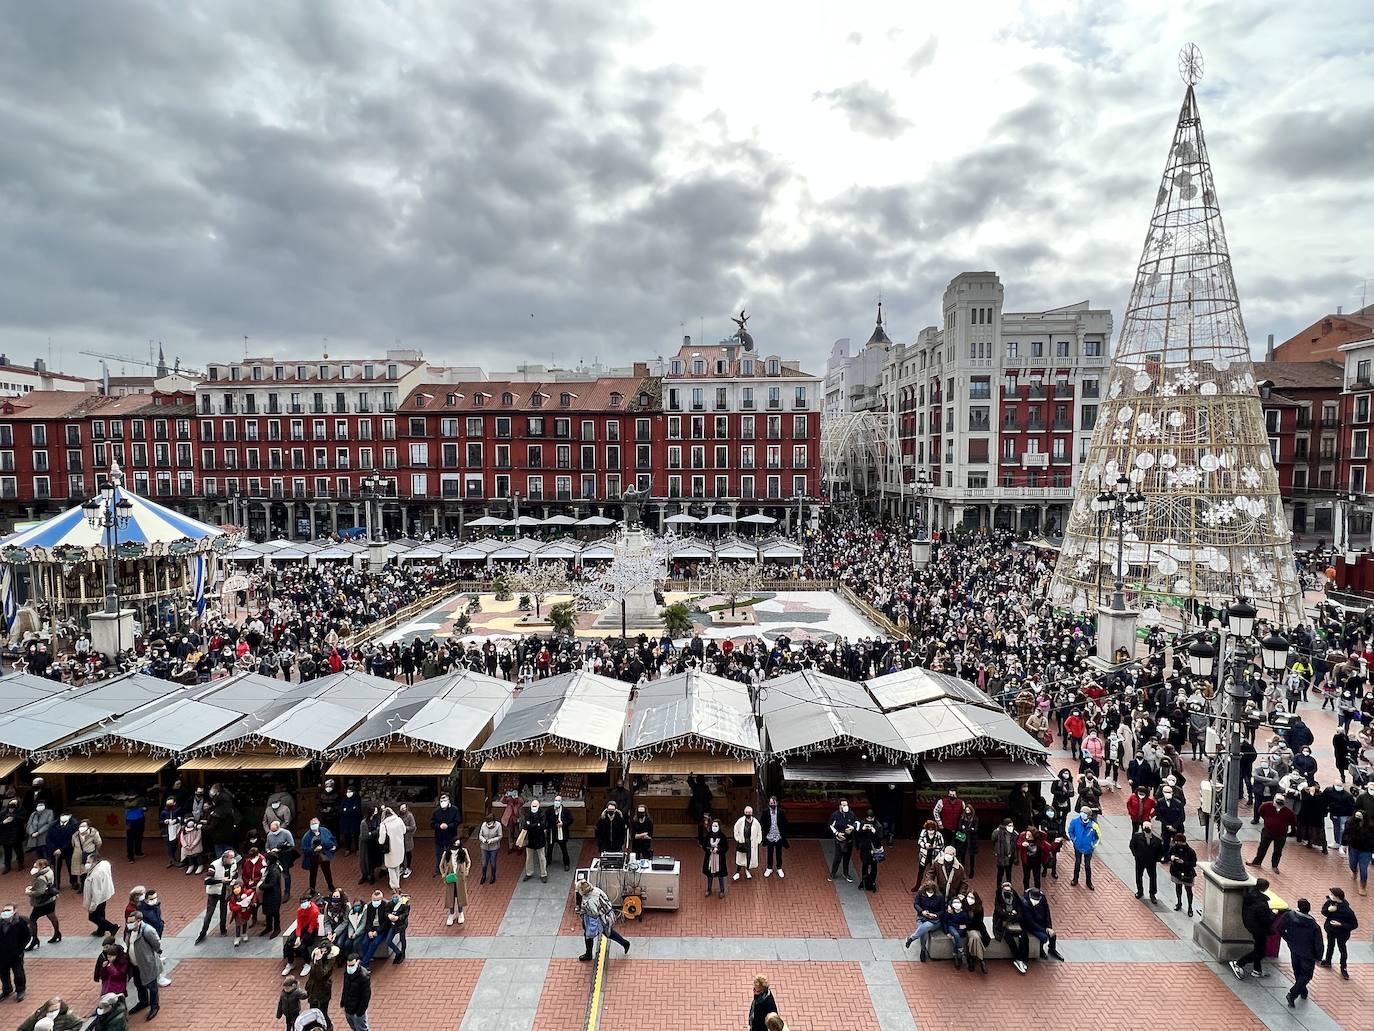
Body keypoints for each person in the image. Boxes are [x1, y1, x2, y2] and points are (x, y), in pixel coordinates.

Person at [1279, 898, 1323, 1008]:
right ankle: (1293, 993)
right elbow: (1318, 944)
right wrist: (1318, 957)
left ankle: (1303, 991)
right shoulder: (1314, 926)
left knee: (1297, 971)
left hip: (1294, 949)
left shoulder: (1288, 916)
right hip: (1308, 954)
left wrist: (1288, 940)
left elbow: (1280, 928)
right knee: (1307, 975)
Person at [574, 878, 630, 959]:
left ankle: (588, 954)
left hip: (601, 920)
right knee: (609, 932)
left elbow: (594, 917)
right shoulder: (596, 890)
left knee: (589, 937)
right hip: (606, 916)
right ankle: (624, 943)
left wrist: (590, 932)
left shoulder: (590, 902)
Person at [1230, 878, 1273, 980]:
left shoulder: (1249, 895)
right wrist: (1273, 915)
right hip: (1259, 929)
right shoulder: (1261, 903)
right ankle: (1239, 962)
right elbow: (1265, 919)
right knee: (1261, 952)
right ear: (1265, 888)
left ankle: (1257, 970)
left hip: (1251, 925)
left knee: (1258, 948)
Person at [124, 910, 162, 1020]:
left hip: (147, 964)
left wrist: (149, 957)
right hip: (134, 964)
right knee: (138, 984)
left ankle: (155, 1006)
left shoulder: (148, 931)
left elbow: (157, 944)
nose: (129, 924)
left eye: (132, 922)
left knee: (152, 986)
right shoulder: (130, 931)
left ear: (139, 921)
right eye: (128, 922)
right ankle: (143, 1001)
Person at [194, 848, 239, 944]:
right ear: (225, 858)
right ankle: (203, 933)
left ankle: (223, 929)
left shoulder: (233, 863)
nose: (233, 860)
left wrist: (234, 879)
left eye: (233, 858)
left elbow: (235, 874)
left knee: (224, 911)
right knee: (209, 913)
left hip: (225, 891)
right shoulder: (214, 865)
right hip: (214, 892)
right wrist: (221, 880)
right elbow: (207, 881)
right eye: (231, 858)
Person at [1249, 793, 1297, 873]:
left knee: (1278, 851)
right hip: (1267, 831)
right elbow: (1260, 812)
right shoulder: (1266, 806)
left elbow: (1293, 821)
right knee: (1262, 847)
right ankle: (1257, 862)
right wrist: (1268, 821)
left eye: (1281, 801)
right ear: (1274, 799)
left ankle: (1275, 865)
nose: (1279, 802)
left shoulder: (1289, 812)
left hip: (1281, 834)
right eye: (1278, 800)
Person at [1318, 886, 1357, 979]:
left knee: (1342, 949)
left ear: (1338, 897)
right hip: (1331, 930)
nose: (1330, 896)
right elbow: (1323, 912)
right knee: (1330, 945)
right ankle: (1328, 961)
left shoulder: (1347, 911)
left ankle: (1343, 968)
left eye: (1332, 895)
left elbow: (1354, 924)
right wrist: (1328, 910)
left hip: (1342, 933)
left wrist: (1340, 924)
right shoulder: (1329, 903)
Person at [904, 877, 946, 961]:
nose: (929, 893)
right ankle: (923, 950)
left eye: (931, 892)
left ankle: (912, 938)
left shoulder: (940, 897)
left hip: (934, 921)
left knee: (925, 927)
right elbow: (916, 904)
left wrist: (935, 915)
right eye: (928, 891)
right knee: (924, 931)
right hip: (922, 917)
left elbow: (942, 910)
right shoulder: (920, 893)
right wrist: (922, 911)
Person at [993, 882, 1031, 974]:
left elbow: (1020, 911)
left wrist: (1014, 916)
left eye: (1009, 890)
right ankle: (1018, 958)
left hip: (1015, 922)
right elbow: (999, 912)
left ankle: (1021, 958)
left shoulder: (1015, 897)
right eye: (1005, 890)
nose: (1007, 892)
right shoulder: (998, 898)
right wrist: (1009, 915)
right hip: (1003, 924)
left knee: (1024, 936)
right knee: (1009, 939)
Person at [1019, 886, 1065, 960]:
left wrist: (1049, 926)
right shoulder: (1025, 903)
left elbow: (1047, 912)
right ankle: (1040, 950)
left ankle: (1052, 949)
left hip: (1041, 922)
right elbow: (1030, 922)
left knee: (1053, 934)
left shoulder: (1042, 897)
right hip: (1031, 926)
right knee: (1043, 937)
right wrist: (1044, 930)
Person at [281, 895, 321, 977]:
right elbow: (299, 924)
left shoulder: (314, 911)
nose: (303, 904)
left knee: (303, 946)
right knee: (289, 943)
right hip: (302, 928)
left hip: (311, 930)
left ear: (310, 901)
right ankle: (290, 963)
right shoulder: (299, 910)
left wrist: (302, 939)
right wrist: (298, 936)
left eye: (305, 902)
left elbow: (311, 927)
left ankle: (307, 963)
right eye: (301, 903)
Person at [24, 859, 59, 948]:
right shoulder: (49, 871)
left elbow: (39, 892)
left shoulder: (40, 878)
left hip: (42, 902)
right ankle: (57, 933)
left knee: (32, 919)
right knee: (51, 915)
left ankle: (35, 939)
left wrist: (29, 892)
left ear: (42, 867)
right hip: (51, 899)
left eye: (36, 866)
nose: (34, 868)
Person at [303, 943, 338, 1028]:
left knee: (323, 1013)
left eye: (325, 951)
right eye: (321, 951)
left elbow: (321, 974)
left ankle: (329, 1027)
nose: (322, 953)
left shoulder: (330, 960)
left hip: (323, 990)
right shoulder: (315, 958)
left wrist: (319, 961)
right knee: (313, 1012)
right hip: (313, 990)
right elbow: (312, 975)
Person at [1129, 822, 1165, 903]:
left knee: (1153, 878)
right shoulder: (1137, 837)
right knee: (1139, 876)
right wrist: (1136, 855)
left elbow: (1161, 851)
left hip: (1151, 862)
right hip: (1140, 861)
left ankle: (1152, 894)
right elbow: (1132, 846)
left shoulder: (1157, 840)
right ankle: (1140, 891)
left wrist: (1156, 859)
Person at [0, 903, 29, 1003]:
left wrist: (20, 949)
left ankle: (20, 990)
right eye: (4, 910)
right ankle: (6, 989)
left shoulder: (20, 923)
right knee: (3, 973)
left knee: (18, 973)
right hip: (2, 954)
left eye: (8, 910)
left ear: (14, 911)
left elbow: (26, 937)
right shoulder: (0, 922)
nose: (5, 913)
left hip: (16, 954)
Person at [439, 838, 470, 927]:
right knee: (450, 897)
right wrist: (443, 875)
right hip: (450, 878)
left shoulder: (463, 851)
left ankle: (460, 913)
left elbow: (468, 862)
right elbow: (441, 865)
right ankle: (451, 914)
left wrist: (466, 872)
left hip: (460, 878)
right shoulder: (446, 853)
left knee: (461, 896)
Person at [84, 856, 118, 936]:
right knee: (101, 913)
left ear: (95, 862)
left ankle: (112, 927)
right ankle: (101, 931)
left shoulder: (95, 875)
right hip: (105, 893)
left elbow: (96, 893)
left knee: (93, 917)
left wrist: (92, 907)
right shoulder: (104, 865)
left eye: (89, 862)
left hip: (99, 897)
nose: (86, 864)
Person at [1343, 808, 1374, 895]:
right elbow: (1346, 833)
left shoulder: (1370, 826)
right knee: (1352, 864)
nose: (1358, 818)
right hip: (1354, 848)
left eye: (1360, 816)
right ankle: (1354, 871)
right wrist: (1344, 844)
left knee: (1363, 868)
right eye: (1356, 816)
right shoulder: (1350, 823)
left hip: (1366, 850)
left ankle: (1363, 886)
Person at [1067, 807, 1099, 890]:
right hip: (1078, 846)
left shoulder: (1094, 825)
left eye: (1084, 813)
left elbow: (1098, 837)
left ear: (1089, 816)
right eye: (1082, 812)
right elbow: (1070, 831)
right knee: (1077, 863)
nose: (1082, 814)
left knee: (1087, 865)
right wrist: (1074, 839)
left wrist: (1093, 845)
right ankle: (1075, 879)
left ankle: (1089, 882)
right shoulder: (1075, 821)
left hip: (1088, 849)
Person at [300, 820, 337, 893]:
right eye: (312, 823)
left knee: (327, 871)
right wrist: (313, 850)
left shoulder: (325, 831)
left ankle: (330, 885)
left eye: (315, 823)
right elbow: (304, 849)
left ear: (319, 823)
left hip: (324, 854)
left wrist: (333, 846)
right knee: (313, 873)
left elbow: (332, 839)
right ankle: (312, 889)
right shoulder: (306, 836)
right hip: (313, 857)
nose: (314, 825)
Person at [377, 807, 407, 891]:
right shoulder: (399, 820)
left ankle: (395, 885)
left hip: (390, 849)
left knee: (390, 867)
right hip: (400, 847)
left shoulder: (384, 825)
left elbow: (381, 840)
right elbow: (404, 831)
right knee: (397, 865)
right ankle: (397, 882)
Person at [430, 793, 460, 876]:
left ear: (449, 801)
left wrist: (448, 826)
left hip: (451, 837)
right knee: (439, 854)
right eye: (441, 801)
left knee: (451, 853)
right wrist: (439, 826)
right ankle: (439, 869)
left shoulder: (455, 810)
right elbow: (432, 823)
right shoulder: (436, 811)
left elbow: (457, 821)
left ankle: (450, 869)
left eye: (444, 801)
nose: (443, 802)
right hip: (439, 837)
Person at [1168, 833, 1198, 916]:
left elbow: (1194, 863)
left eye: (1177, 841)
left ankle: (1190, 907)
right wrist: (1172, 858)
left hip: (1188, 873)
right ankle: (1179, 902)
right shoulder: (1174, 848)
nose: (1176, 843)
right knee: (1178, 888)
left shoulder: (1191, 851)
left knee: (1189, 890)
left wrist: (1184, 862)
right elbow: (1168, 854)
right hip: (1176, 871)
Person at [341, 954, 371, 1031]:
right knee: (354, 1027)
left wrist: (359, 1013)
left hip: (357, 1011)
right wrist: (343, 1002)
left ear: (358, 962)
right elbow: (345, 988)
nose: (350, 967)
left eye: (352, 965)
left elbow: (366, 997)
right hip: (348, 1008)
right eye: (348, 965)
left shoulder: (364, 976)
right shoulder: (347, 973)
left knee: (361, 1029)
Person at [520, 801, 549, 883]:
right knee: (529, 858)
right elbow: (525, 825)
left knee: (542, 858)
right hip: (530, 839)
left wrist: (531, 826)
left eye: (535, 806)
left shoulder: (542, 813)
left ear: (539, 806)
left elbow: (543, 825)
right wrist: (537, 825)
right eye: (533, 806)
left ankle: (543, 874)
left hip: (540, 839)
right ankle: (529, 873)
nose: (534, 807)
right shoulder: (528, 813)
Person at [828, 799, 856, 882]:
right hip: (839, 841)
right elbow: (830, 826)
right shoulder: (835, 815)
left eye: (846, 805)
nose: (845, 807)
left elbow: (856, 822)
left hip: (849, 840)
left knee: (847, 858)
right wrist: (837, 833)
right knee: (837, 858)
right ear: (840, 806)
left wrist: (852, 828)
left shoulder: (851, 814)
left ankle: (846, 873)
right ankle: (833, 873)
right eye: (843, 805)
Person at [761, 796, 789, 878]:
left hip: (778, 837)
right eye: (770, 803)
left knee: (779, 854)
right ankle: (769, 868)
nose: (772, 804)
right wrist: (765, 834)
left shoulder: (781, 812)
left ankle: (779, 868)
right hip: (769, 837)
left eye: (773, 803)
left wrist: (782, 833)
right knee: (769, 853)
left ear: (777, 803)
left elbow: (785, 823)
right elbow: (762, 822)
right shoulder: (765, 812)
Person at [855, 809, 882, 892]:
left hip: (874, 849)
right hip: (865, 848)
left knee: (874, 866)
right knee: (865, 864)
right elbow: (858, 835)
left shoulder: (878, 825)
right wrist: (862, 829)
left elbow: (880, 838)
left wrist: (875, 832)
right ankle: (864, 881)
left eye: (871, 818)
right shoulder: (863, 822)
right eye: (868, 818)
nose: (869, 820)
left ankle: (872, 881)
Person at [17, 998, 83, 1031]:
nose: (53, 1012)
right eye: (51, 1010)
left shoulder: (68, 1016)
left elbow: (79, 1023)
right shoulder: (38, 1014)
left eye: (55, 1010)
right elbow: (22, 1029)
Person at [702, 818, 729, 898]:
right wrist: (709, 849)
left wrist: (718, 850)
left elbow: (726, 847)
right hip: (710, 858)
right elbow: (704, 846)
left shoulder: (723, 836)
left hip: (719, 859)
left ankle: (722, 890)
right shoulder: (708, 835)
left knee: (720, 875)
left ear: (719, 827)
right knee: (709, 875)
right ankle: (709, 889)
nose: (714, 827)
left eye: (716, 826)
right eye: (713, 826)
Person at [546, 796, 575, 871]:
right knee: (549, 848)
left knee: (564, 849)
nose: (557, 802)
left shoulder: (566, 811)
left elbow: (570, 820)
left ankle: (566, 863)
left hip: (561, 832)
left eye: (558, 800)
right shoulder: (549, 810)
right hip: (552, 832)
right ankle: (548, 861)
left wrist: (563, 823)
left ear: (561, 802)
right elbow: (546, 820)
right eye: (555, 800)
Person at [733, 807, 760, 881]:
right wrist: (738, 839)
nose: (748, 814)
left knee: (749, 857)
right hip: (743, 842)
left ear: (752, 813)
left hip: (751, 843)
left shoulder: (755, 822)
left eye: (749, 812)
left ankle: (747, 870)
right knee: (741, 858)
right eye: (747, 812)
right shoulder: (740, 821)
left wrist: (758, 841)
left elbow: (759, 831)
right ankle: (737, 872)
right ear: (744, 812)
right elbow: (736, 829)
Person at [229, 882, 257, 946]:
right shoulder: (233, 897)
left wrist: (253, 902)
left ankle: (244, 933)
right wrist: (240, 907)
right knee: (238, 925)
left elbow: (252, 894)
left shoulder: (245, 893)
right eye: (235, 888)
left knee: (244, 923)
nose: (236, 889)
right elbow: (231, 907)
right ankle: (237, 937)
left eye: (238, 887)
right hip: (238, 914)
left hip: (245, 912)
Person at [478, 810, 502, 884]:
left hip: (493, 847)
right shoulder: (483, 825)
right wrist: (483, 840)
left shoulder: (498, 825)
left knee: (493, 863)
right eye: (487, 823)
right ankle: (484, 876)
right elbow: (480, 835)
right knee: (484, 863)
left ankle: (493, 876)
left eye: (490, 823)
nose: (488, 825)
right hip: (484, 847)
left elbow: (500, 836)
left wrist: (492, 840)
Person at [992, 817, 1017, 888]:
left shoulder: (1013, 833)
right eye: (1009, 825)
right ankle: (998, 887)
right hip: (1001, 857)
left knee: (1009, 873)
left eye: (1012, 825)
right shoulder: (998, 832)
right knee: (1000, 873)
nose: (1011, 827)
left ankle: (1009, 886)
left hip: (1010, 857)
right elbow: (993, 839)